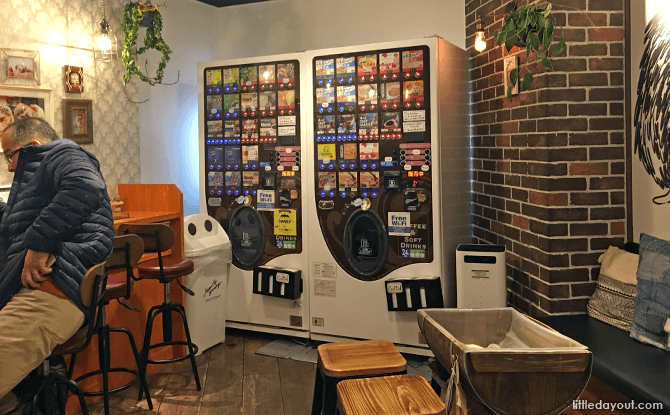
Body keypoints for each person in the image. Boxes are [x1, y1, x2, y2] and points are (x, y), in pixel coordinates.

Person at [0, 117, 114, 413]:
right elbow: (14, 223)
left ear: (33, 146)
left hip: (53, 289)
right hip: (44, 289)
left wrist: (39, 245)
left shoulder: (61, 152)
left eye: (9, 155)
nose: (10, 166)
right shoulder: (41, 177)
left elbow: (85, 186)